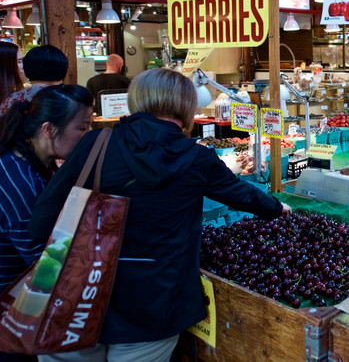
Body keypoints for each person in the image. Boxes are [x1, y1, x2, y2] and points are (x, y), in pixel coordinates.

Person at [30, 68, 291, 362]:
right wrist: (278, 208)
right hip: (154, 303)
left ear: (137, 100)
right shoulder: (197, 158)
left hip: (78, 299)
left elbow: (43, 219)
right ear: (187, 106)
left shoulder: (96, 144)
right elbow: (243, 195)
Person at [0, 85, 94, 293]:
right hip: (12, 303)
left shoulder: (30, 161)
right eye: (82, 127)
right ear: (48, 129)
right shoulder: (20, 183)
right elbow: (44, 263)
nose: (88, 135)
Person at [0, 45, 68, 115]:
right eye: (19, 62)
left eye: (21, 62)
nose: (21, 66)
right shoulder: (69, 100)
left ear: (27, 69)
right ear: (63, 69)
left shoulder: (10, 100)